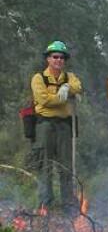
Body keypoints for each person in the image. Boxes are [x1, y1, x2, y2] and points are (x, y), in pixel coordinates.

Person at [30, 40, 82, 214]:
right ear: (48, 59)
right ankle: (46, 205)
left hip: (64, 126)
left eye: (61, 57)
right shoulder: (39, 78)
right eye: (55, 57)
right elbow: (43, 100)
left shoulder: (69, 77)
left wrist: (67, 87)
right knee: (44, 165)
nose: (58, 60)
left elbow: (78, 87)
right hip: (45, 125)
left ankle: (68, 205)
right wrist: (62, 98)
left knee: (66, 167)